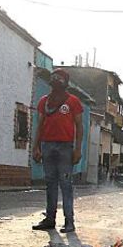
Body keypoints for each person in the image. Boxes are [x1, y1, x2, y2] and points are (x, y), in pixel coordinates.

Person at [31, 68, 84, 233]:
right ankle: (50, 219)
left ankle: (69, 222)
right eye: (53, 77)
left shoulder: (73, 101)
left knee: (66, 184)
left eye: (59, 78)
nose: (55, 80)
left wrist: (77, 149)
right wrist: (36, 147)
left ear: (65, 82)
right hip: (47, 146)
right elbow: (40, 126)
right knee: (50, 184)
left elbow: (79, 126)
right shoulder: (44, 101)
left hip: (65, 148)